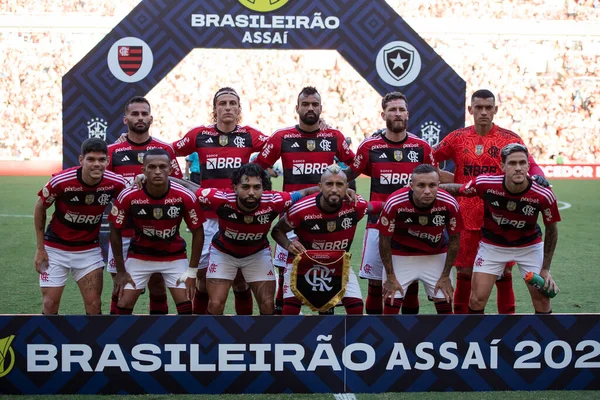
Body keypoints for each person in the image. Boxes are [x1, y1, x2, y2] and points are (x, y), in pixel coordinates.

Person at [433, 89, 547, 314]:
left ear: (495, 110)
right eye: (479, 108)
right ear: (470, 110)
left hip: (500, 215)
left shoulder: (509, 138)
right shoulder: (457, 138)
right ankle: (462, 326)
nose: (483, 112)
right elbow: (430, 158)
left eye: (488, 108)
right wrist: (444, 179)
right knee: (464, 272)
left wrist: (540, 176)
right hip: (465, 215)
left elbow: (530, 163)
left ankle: (506, 326)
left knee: (503, 274)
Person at [254, 86, 355, 314]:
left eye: (315, 104)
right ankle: (286, 317)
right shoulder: (282, 137)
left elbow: (356, 165)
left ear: (321, 108)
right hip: (292, 214)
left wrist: (342, 186)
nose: (310, 108)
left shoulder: (334, 136)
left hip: (326, 214)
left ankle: (324, 314)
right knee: (286, 264)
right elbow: (257, 168)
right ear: (297, 108)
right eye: (306, 104)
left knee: (324, 263)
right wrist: (269, 197)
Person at [171, 87, 269, 315]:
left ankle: (243, 330)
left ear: (239, 109)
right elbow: (167, 150)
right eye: (222, 103)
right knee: (204, 280)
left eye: (232, 103)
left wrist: (259, 171)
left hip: (240, 217)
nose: (227, 107)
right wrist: (177, 179)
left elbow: (278, 145)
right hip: (207, 219)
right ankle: (200, 326)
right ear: (214, 109)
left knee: (241, 280)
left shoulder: (249, 135)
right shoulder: (199, 135)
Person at [343, 91, 436, 315]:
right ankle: (376, 337)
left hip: (413, 225)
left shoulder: (421, 147)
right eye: (392, 110)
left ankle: (407, 336)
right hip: (377, 224)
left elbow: (435, 181)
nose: (397, 114)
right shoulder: (369, 147)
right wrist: (345, 188)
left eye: (401, 109)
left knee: (410, 285)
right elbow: (348, 175)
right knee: (376, 285)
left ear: (408, 114)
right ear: (383, 114)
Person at [183, 163, 318, 315]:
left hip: (257, 254)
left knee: (267, 305)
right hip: (223, 252)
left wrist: (344, 191)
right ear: (235, 188)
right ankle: (212, 338)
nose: (251, 192)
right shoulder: (220, 198)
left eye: (257, 187)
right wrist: (163, 179)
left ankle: (262, 338)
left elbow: (307, 191)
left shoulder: (275, 200)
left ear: (263, 188)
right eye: (245, 187)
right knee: (215, 305)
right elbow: (189, 187)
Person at [441, 143, 560, 314]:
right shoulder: (486, 183)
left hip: (529, 247)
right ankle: (475, 339)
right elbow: (459, 190)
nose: (518, 168)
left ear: (528, 165)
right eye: (512, 163)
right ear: (503, 166)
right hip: (493, 246)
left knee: (542, 299)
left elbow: (552, 230)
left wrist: (546, 269)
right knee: (476, 299)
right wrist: (433, 189)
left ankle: (545, 339)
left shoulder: (543, 193)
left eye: (522, 163)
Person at [106, 96, 183, 315]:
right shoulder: (112, 151)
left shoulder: (164, 149)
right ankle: (116, 336)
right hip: (124, 232)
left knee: (157, 286)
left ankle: (158, 337)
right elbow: (106, 186)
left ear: (151, 118)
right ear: (125, 119)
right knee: (121, 287)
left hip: (157, 230)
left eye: (143, 114)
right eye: (134, 114)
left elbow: (178, 183)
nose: (139, 118)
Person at [271, 165, 381, 315]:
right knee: (290, 309)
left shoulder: (355, 205)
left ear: (347, 187)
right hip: (303, 262)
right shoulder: (301, 209)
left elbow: (379, 206)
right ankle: (291, 339)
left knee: (356, 308)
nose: (334, 189)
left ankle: (345, 338)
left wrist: (410, 197)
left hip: (337, 263)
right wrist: (288, 244)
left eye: (339, 184)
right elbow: (277, 230)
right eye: (329, 184)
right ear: (320, 186)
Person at [33, 138, 127, 315]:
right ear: (81, 160)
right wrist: (40, 248)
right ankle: (49, 341)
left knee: (94, 305)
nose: (96, 164)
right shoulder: (61, 181)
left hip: (88, 251)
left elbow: (134, 195)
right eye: (91, 159)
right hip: (55, 249)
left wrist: (141, 179)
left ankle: (94, 342)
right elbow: (40, 206)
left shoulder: (115, 182)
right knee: (49, 304)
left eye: (101, 160)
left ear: (108, 161)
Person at [109, 149, 205, 315]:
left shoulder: (184, 196)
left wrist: (192, 271)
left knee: (186, 304)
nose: (158, 171)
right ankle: (118, 339)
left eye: (162, 167)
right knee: (123, 303)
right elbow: (115, 230)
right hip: (139, 256)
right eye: (152, 167)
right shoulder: (129, 195)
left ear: (170, 169)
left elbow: (198, 232)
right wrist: (121, 271)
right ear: (143, 170)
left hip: (174, 256)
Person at [377, 164, 461, 314]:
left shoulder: (449, 203)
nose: (427, 191)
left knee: (446, 304)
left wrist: (445, 275)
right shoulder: (395, 202)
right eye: (421, 185)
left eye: (432, 185)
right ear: (411, 186)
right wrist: (390, 276)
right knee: (390, 306)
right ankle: (390, 338)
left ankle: (447, 338)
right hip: (400, 255)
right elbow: (384, 241)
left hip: (435, 255)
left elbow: (454, 240)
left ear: (439, 185)